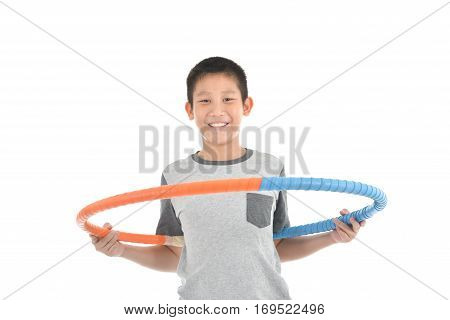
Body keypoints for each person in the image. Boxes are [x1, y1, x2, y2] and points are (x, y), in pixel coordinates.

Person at [90, 56, 366, 300]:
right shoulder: (174, 175)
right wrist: (122, 251)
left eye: (228, 99)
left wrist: (332, 237)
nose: (217, 110)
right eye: (205, 100)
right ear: (190, 109)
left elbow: (275, 246)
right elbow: (176, 253)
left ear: (247, 105)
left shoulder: (270, 168)